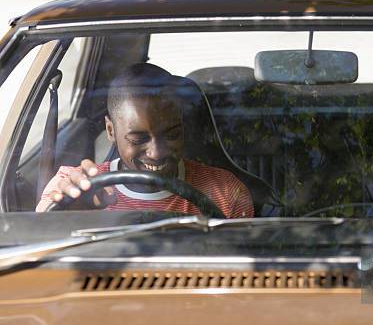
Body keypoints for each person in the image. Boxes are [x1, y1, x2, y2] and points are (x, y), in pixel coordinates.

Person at [36, 63, 254, 218]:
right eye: (138, 139)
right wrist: (69, 213)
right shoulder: (73, 185)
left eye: (172, 134)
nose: (157, 152)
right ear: (110, 130)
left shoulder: (225, 191)